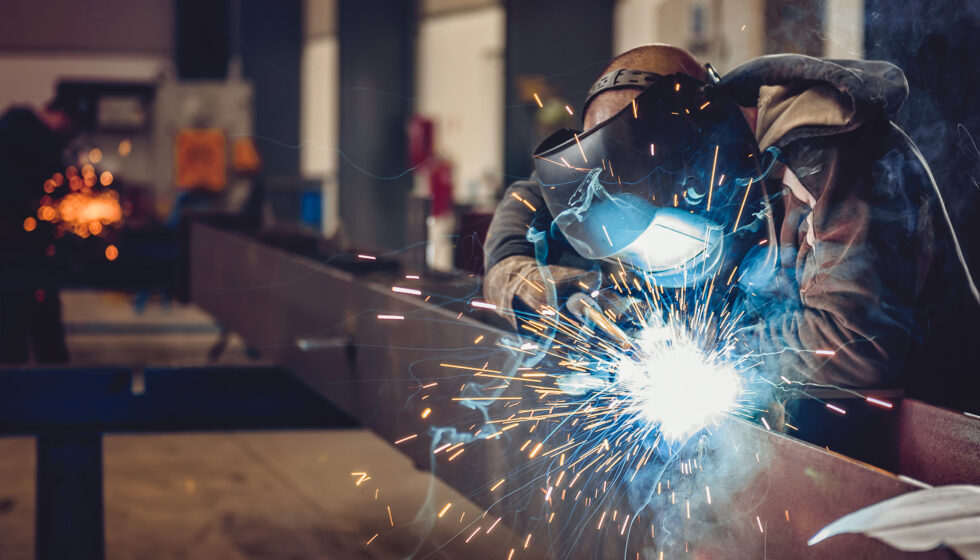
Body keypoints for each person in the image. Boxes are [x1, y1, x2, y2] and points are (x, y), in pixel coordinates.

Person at [483, 44, 978, 411]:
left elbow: (852, 344)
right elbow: (534, 194)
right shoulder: (694, 157)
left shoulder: (828, 152)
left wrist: (701, 351)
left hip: (946, 426)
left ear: (698, 151)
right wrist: (512, 267)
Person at [0, 94, 77, 364]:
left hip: (18, 249)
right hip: (22, 248)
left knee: (16, 327)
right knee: (36, 325)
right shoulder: (32, 136)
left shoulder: (14, 129)